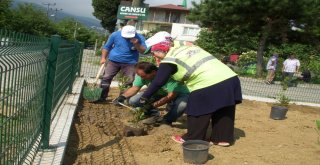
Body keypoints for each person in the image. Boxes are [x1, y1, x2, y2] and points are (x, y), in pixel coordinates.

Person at [139, 32, 242, 146]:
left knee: (197, 108)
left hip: (208, 83)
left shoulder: (171, 57)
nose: (154, 56)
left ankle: (192, 138)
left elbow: (159, 81)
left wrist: (145, 97)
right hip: (230, 78)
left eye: (153, 52)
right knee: (223, 109)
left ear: (159, 48)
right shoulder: (187, 47)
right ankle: (222, 138)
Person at [113, 62, 189, 125]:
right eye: (139, 75)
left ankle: (167, 120)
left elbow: (171, 95)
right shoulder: (141, 75)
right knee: (133, 101)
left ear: (153, 72)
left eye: (143, 76)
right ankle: (153, 114)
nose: (141, 78)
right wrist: (122, 97)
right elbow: (135, 88)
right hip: (158, 93)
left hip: (178, 93)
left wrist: (153, 105)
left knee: (181, 105)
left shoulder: (169, 76)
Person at [98, 25, 147, 102]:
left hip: (130, 63)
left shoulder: (140, 38)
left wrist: (137, 44)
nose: (126, 38)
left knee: (128, 81)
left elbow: (143, 51)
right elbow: (107, 47)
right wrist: (103, 58)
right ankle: (101, 96)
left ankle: (121, 100)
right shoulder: (115, 35)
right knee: (106, 78)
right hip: (113, 61)